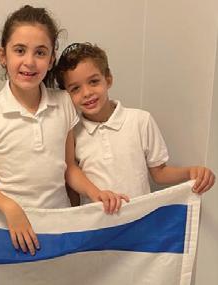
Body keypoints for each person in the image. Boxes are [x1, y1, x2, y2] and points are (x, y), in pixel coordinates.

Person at [0, 5, 127, 262]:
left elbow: (69, 168)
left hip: (58, 224)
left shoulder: (64, 102)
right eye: (20, 50)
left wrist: (95, 192)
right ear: (3, 55)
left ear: (51, 59)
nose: (29, 62)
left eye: (40, 52)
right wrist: (10, 208)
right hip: (11, 226)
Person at [55, 42, 215, 202]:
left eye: (94, 81)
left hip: (140, 217)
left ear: (108, 79)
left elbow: (159, 173)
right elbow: (72, 180)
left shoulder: (140, 121)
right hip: (97, 217)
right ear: (66, 95)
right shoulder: (72, 133)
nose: (87, 93)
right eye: (75, 89)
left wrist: (190, 172)